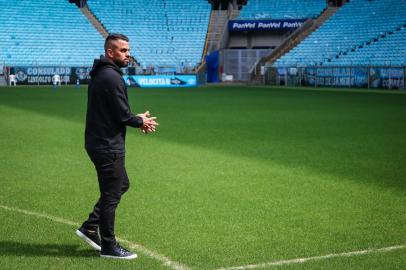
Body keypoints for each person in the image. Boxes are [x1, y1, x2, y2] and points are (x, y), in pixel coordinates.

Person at [76, 33, 158, 259]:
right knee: (111, 194)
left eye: (129, 50)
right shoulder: (111, 77)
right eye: (123, 51)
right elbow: (122, 115)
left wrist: (136, 118)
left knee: (121, 184)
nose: (128, 55)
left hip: (101, 142)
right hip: (107, 145)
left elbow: (116, 112)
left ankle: (90, 227)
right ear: (110, 52)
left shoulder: (104, 74)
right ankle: (109, 246)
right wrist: (140, 121)